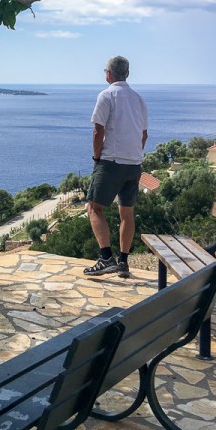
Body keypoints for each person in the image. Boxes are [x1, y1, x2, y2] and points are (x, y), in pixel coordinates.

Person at [84, 56, 148, 279]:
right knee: (126, 213)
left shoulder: (106, 95)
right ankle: (123, 262)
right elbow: (144, 134)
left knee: (94, 208)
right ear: (127, 74)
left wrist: (96, 158)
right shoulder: (139, 99)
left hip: (111, 162)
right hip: (134, 164)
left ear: (108, 74)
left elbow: (98, 131)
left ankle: (105, 258)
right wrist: (134, 154)